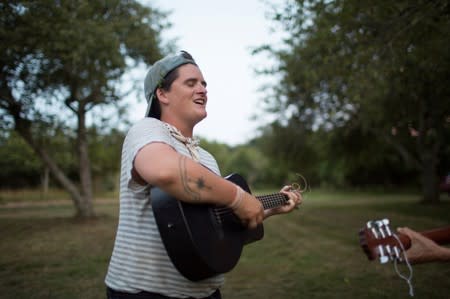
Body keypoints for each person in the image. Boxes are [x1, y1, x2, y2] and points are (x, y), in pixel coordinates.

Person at [104, 50, 302, 299]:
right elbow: (165, 171)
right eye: (191, 83)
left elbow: (215, 224)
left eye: (204, 83)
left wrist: (268, 207)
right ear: (162, 93)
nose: (203, 90)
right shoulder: (147, 130)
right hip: (146, 292)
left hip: (205, 292)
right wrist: (239, 198)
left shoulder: (206, 158)